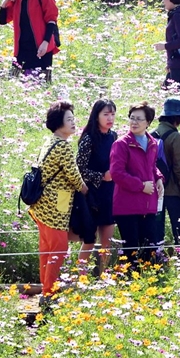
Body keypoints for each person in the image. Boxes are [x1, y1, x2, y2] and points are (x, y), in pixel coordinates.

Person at [29, 100, 88, 299]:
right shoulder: (62, 146)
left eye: (73, 118)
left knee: (46, 251)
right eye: (69, 119)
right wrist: (85, 189)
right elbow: (74, 175)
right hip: (55, 208)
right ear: (58, 122)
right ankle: (49, 294)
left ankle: (47, 290)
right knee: (58, 251)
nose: (73, 123)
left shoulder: (50, 141)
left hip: (42, 206)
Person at [110, 103, 164, 263]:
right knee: (131, 253)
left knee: (150, 250)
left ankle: (149, 284)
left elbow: (152, 167)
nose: (134, 122)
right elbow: (116, 173)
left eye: (139, 119)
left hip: (148, 205)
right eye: (132, 118)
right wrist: (141, 186)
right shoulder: (121, 144)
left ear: (148, 122)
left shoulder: (153, 142)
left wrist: (159, 178)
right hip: (127, 206)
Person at [74, 98, 117, 274]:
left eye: (113, 114)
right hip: (90, 195)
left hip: (109, 193)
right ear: (96, 116)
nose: (110, 118)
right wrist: (101, 176)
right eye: (105, 114)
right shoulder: (88, 139)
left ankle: (103, 274)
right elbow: (78, 170)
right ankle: (80, 276)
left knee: (107, 240)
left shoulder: (114, 136)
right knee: (89, 239)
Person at [0, 0, 60, 79]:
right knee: (17, 84)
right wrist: (4, 2)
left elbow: (51, 20)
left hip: (41, 48)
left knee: (42, 85)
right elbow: (2, 20)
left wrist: (45, 43)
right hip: (22, 49)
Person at [154, 97, 180, 245]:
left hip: (155, 190)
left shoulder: (152, 133)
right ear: (179, 117)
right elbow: (179, 167)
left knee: (157, 230)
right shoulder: (174, 136)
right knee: (179, 231)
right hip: (174, 190)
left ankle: (155, 258)